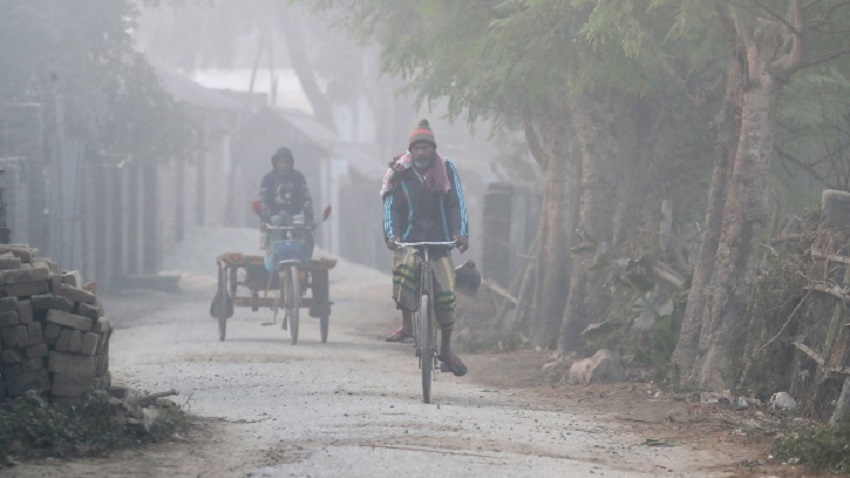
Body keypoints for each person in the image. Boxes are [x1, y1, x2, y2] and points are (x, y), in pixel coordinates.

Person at [381, 119, 470, 377]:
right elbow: (391, 207)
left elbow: (456, 203)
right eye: (417, 148)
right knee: (404, 270)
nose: (421, 153)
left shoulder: (446, 168)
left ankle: (446, 349)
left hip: (440, 242)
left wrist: (460, 233)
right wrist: (393, 235)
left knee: (447, 295)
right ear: (411, 150)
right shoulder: (400, 171)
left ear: (433, 149)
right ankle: (407, 325)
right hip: (410, 240)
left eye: (426, 148)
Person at [259, 146, 315, 269]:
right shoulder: (268, 179)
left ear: (291, 163)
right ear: (275, 163)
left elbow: (306, 199)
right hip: (275, 218)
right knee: (275, 222)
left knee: (304, 227)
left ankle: (303, 260)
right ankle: (274, 260)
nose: (283, 165)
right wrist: (264, 219)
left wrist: (309, 220)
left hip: (295, 217)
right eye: (280, 162)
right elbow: (263, 201)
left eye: (286, 162)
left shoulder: (298, 177)